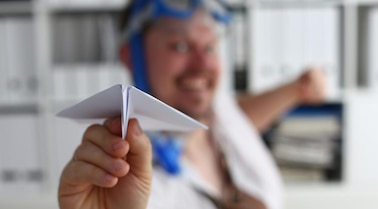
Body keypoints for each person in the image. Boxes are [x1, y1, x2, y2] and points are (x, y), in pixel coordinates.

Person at [57, 0, 327, 208]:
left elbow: (241, 114)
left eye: (209, 47)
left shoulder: (217, 114)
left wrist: (297, 89)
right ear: (132, 56)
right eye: (180, 46)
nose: (203, 64)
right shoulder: (125, 179)